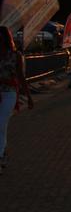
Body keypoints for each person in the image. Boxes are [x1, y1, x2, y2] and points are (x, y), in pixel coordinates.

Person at [0, 26, 33, 174]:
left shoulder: (15, 55)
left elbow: (21, 77)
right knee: (1, 126)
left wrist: (29, 97)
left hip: (9, 93)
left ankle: (0, 156)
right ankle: (3, 152)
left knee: (1, 123)